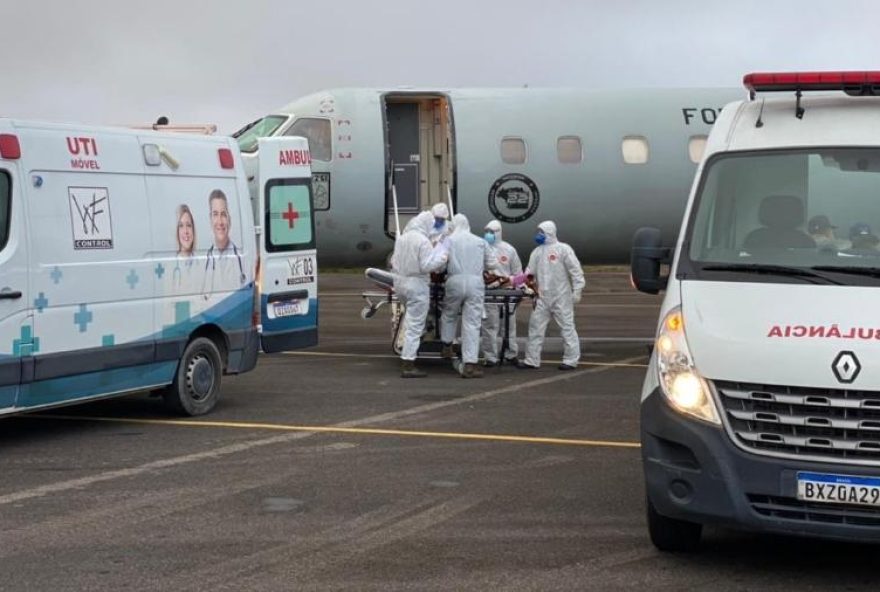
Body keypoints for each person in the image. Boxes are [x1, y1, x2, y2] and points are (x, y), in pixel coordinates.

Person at [515, 221, 585, 371]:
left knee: (567, 328)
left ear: (549, 232)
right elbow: (528, 273)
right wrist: (515, 282)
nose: (538, 235)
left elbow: (576, 271)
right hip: (542, 297)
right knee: (535, 328)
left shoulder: (563, 249)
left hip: (561, 296)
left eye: (541, 232)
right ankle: (531, 360)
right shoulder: (537, 252)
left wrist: (577, 290)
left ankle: (571, 360)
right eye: (538, 232)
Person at [391, 211, 450, 378]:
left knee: (409, 320)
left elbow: (394, 262)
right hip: (416, 285)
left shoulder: (402, 238)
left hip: (400, 282)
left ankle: (406, 355)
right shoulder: (423, 241)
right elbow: (426, 266)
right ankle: (408, 363)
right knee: (415, 325)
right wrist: (442, 257)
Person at [439, 214, 498, 378]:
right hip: (475, 283)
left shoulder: (448, 240)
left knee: (449, 314)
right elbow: (492, 264)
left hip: (454, 281)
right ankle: (470, 364)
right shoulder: (480, 241)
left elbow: (439, 264)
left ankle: (447, 345)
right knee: (472, 323)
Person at [480, 219, 523, 366]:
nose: (488, 235)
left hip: (507, 292)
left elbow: (518, 274)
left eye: (491, 232)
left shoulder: (509, 250)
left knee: (509, 326)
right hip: (489, 293)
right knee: (489, 325)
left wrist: (518, 288)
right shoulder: (481, 248)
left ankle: (511, 354)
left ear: (498, 233)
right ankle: (490, 357)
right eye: (486, 232)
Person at [202, 189, 246, 299]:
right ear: (210, 219)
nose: (220, 221)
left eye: (223, 214)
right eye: (215, 214)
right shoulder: (204, 260)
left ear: (229, 219)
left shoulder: (242, 258)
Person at [173, 204, 197, 293]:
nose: (186, 231)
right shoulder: (171, 267)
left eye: (189, 225)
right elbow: (167, 305)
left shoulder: (202, 265)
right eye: (181, 226)